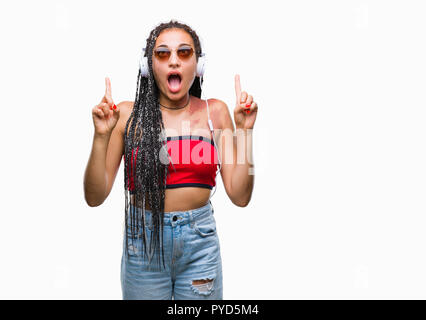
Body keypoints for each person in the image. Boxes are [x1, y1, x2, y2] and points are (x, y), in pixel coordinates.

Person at [83, 19, 258, 300]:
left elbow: (240, 196)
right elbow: (94, 196)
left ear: (198, 65)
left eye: (184, 53)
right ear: (148, 66)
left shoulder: (216, 112)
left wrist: (246, 132)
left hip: (200, 243)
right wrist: (101, 136)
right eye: (163, 54)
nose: (174, 61)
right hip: (144, 246)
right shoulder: (127, 115)